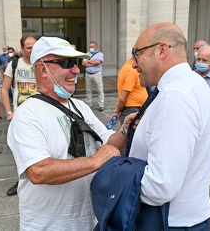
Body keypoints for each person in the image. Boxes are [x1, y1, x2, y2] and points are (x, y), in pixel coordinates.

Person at [7, 36, 130, 230]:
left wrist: (125, 129)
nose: (76, 70)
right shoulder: (27, 114)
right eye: (66, 63)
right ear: (42, 69)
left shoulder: (80, 106)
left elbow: (109, 143)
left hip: (87, 222)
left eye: (76, 62)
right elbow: (38, 171)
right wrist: (95, 160)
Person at [129, 23, 210, 230]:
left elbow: (159, 188)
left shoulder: (175, 95)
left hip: (168, 222)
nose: (133, 63)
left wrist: (115, 178)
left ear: (161, 50)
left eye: (137, 54)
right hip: (184, 218)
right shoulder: (192, 84)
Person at [1, 35, 37, 196]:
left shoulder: (43, 63)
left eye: (34, 46)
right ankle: (22, 180)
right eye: (28, 47)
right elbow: (4, 89)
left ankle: (41, 177)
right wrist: (9, 112)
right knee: (18, 149)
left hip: (40, 114)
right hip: (19, 115)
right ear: (22, 48)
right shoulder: (14, 64)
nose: (32, 49)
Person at [114, 58, 148, 125]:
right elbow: (122, 98)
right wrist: (117, 112)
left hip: (135, 108)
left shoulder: (130, 68)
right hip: (131, 110)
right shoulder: (131, 70)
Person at [82, 41, 105, 111]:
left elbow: (98, 62)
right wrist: (93, 63)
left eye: (92, 47)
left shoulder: (100, 54)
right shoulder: (87, 54)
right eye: (90, 47)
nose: (91, 48)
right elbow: (83, 63)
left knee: (100, 90)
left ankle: (101, 105)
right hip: (88, 74)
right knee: (88, 90)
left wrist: (88, 62)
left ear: (96, 47)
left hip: (96, 74)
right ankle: (88, 103)